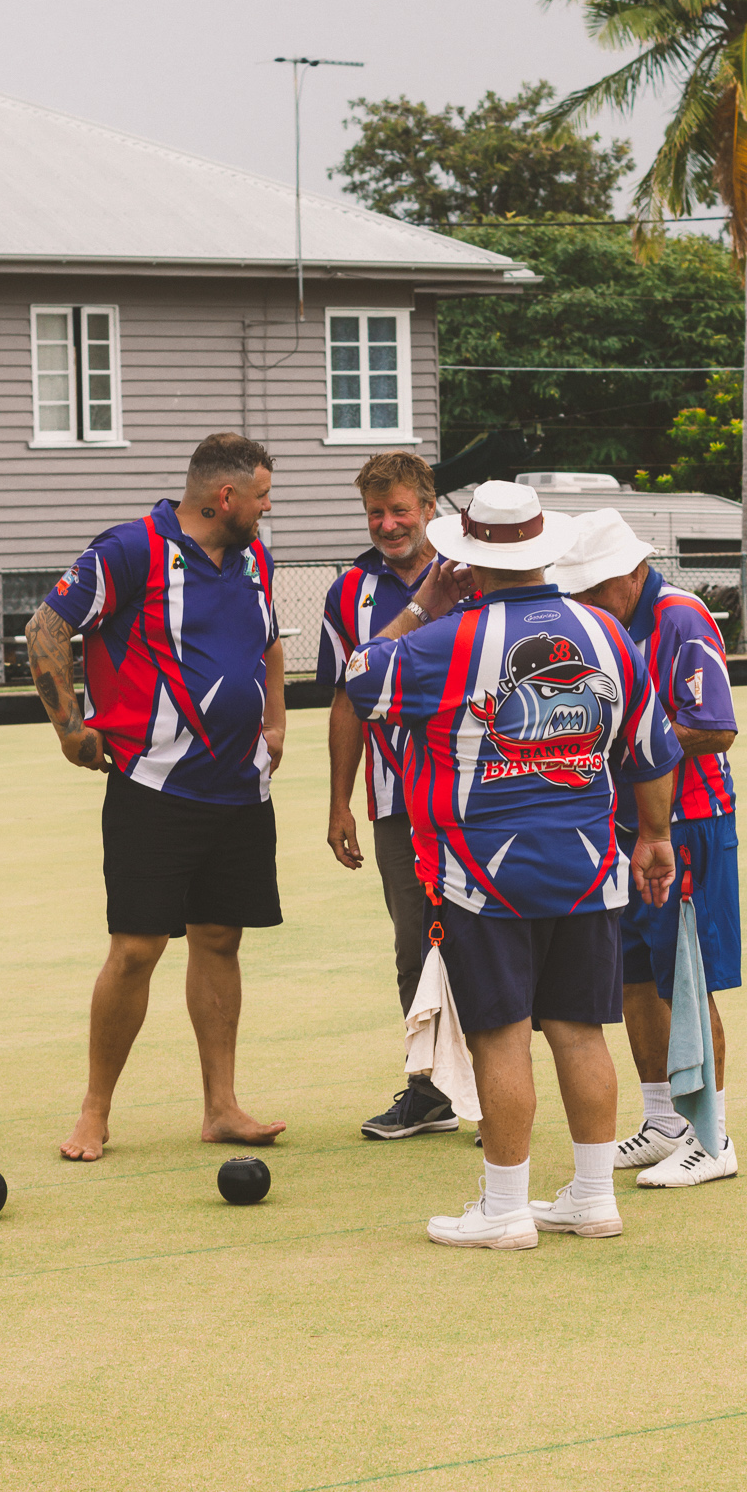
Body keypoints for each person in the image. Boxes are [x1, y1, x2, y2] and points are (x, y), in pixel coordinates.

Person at [343, 480, 681, 1249]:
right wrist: (654, 836)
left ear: (464, 556)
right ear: (542, 548)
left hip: (480, 873)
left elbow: (360, 677)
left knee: (501, 1035)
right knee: (581, 1029)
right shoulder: (603, 631)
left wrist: (425, 603)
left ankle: (504, 1210)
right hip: (591, 864)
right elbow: (650, 747)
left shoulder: (442, 641)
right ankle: (593, 1199)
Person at [26, 432, 288, 1163]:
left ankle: (221, 1107)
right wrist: (69, 729)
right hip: (154, 788)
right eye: (261, 496)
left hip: (240, 787)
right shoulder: (129, 550)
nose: (268, 509)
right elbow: (46, 628)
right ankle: (94, 1113)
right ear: (224, 498)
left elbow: (268, 640)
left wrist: (275, 719)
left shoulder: (253, 558)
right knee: (137, 948)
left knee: (219, 939)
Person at [556, 509, 740, 1187]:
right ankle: (664, 1120)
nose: (581, 603)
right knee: (633, 975)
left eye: (592, 589)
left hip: (690, 821)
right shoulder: (598, 625)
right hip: (624, 828)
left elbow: (715, 727)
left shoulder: (681, 618)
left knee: (686, 978)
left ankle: (713, 1136)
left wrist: (623, 746)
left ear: (631, 573)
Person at [317, 450, 456, 1141]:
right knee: (413, 945)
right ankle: (428, 1090)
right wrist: (339, 802)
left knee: (488, 939)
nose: (388, 524)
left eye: (400, 509)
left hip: (476, 794)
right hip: (395, 802)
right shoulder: (349, 591)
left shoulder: (473, 569)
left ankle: (496, 1088)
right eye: (375, 512)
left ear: (429, 506)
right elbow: (346, 698)